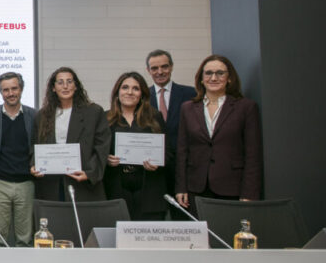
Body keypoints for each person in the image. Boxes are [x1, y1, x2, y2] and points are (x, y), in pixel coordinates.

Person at [175, 54, 262, 211]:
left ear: (229, 78)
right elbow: (182, 151)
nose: (213, 78)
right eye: (208, 73)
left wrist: (250, 192)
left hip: (231, 188)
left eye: (220, 73)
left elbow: (253, 155)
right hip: (196, 188)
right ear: (201, 78)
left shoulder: (246, 107)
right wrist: (181, 187)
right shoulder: (187, 108)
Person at [31, 67, 110, 203]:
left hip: (82, 183)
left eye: (69, 81)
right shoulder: (42, 115)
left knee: (83, 223)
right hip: (51, 185)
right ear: (53, 88)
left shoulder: (93, 112)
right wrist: (34, 165)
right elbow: (35, 145)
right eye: (60, 82)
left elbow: (102, 146)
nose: (65, 86)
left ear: (76, 86)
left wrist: (90, 173)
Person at [104, 72, 169, 220]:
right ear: (117, 92)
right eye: (125, 87)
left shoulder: (155, 117)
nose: (129, 92)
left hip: (149, 191)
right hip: (116, 190)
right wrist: (106, 159)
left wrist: (157, 163)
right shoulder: (104, 118)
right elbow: (95, 153)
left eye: (135, 88)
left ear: (142, 94)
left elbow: (169, 153)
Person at [0, 72, 37, 246]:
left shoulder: (34, 116)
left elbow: (39, 147)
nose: (10, 93)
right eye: (5, 90)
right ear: (0, 92)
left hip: (26, 183)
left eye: (14, 88)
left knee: (25, 238)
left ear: (21, 89)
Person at [145, 49, 197, 199]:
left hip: (185, 169)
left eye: (164, 66)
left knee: (183, 218)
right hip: (153, 170)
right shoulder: (142, 97)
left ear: (172, 67)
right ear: (148, 70)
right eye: (154, 68)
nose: (160, 72)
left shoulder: (191, 94)